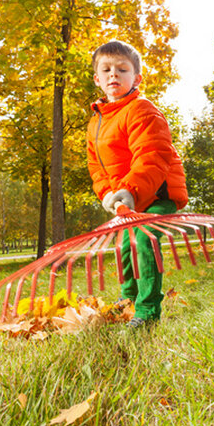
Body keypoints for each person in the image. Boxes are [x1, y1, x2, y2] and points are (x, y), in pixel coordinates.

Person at [86, 40, 189, 329]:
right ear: (97, 79)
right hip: (126, 198)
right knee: (124, 245)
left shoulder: (143, 110)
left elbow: (152, 156)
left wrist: (130, 191)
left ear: (137, 78)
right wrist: (108, 194)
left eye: (122, 69)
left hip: (156, 193)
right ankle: (127, 302)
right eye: (106, 70)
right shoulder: (96, 123)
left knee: (143, 239)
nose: (113, 75)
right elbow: (97, 167)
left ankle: (146, 312)